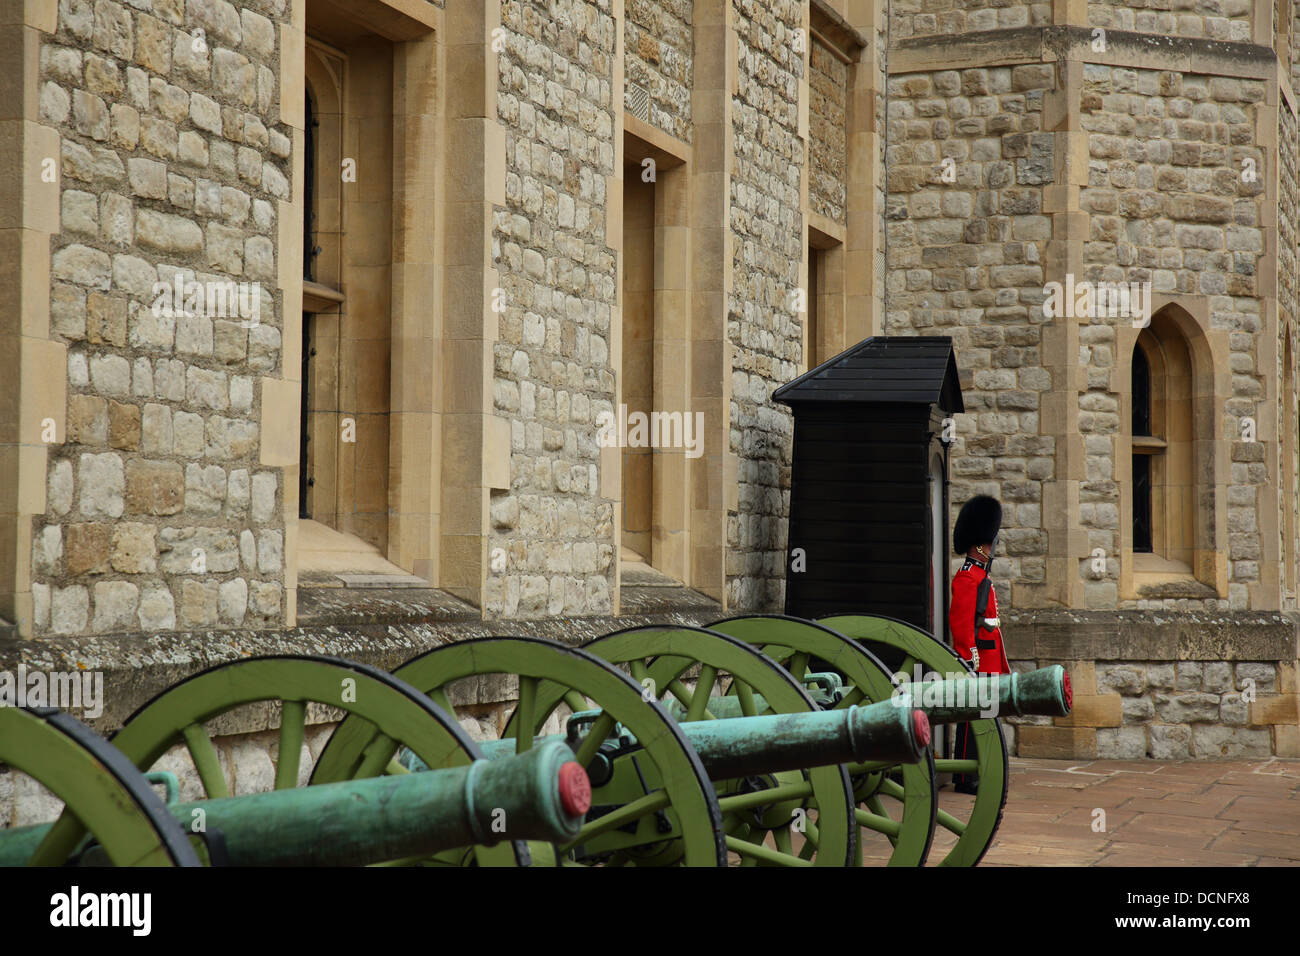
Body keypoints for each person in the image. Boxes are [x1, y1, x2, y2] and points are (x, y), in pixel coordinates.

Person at [948, 494, 1010, 795]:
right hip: (978, 659)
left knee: (986, 717)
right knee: (973, 719)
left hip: (990, 658)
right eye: (988, 543)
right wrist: (969, 657)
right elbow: (961, 625)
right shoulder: (966, 579)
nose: (991, 548)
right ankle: (964, 776)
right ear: (978, 545)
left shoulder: (980, 577)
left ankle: (979, 770)